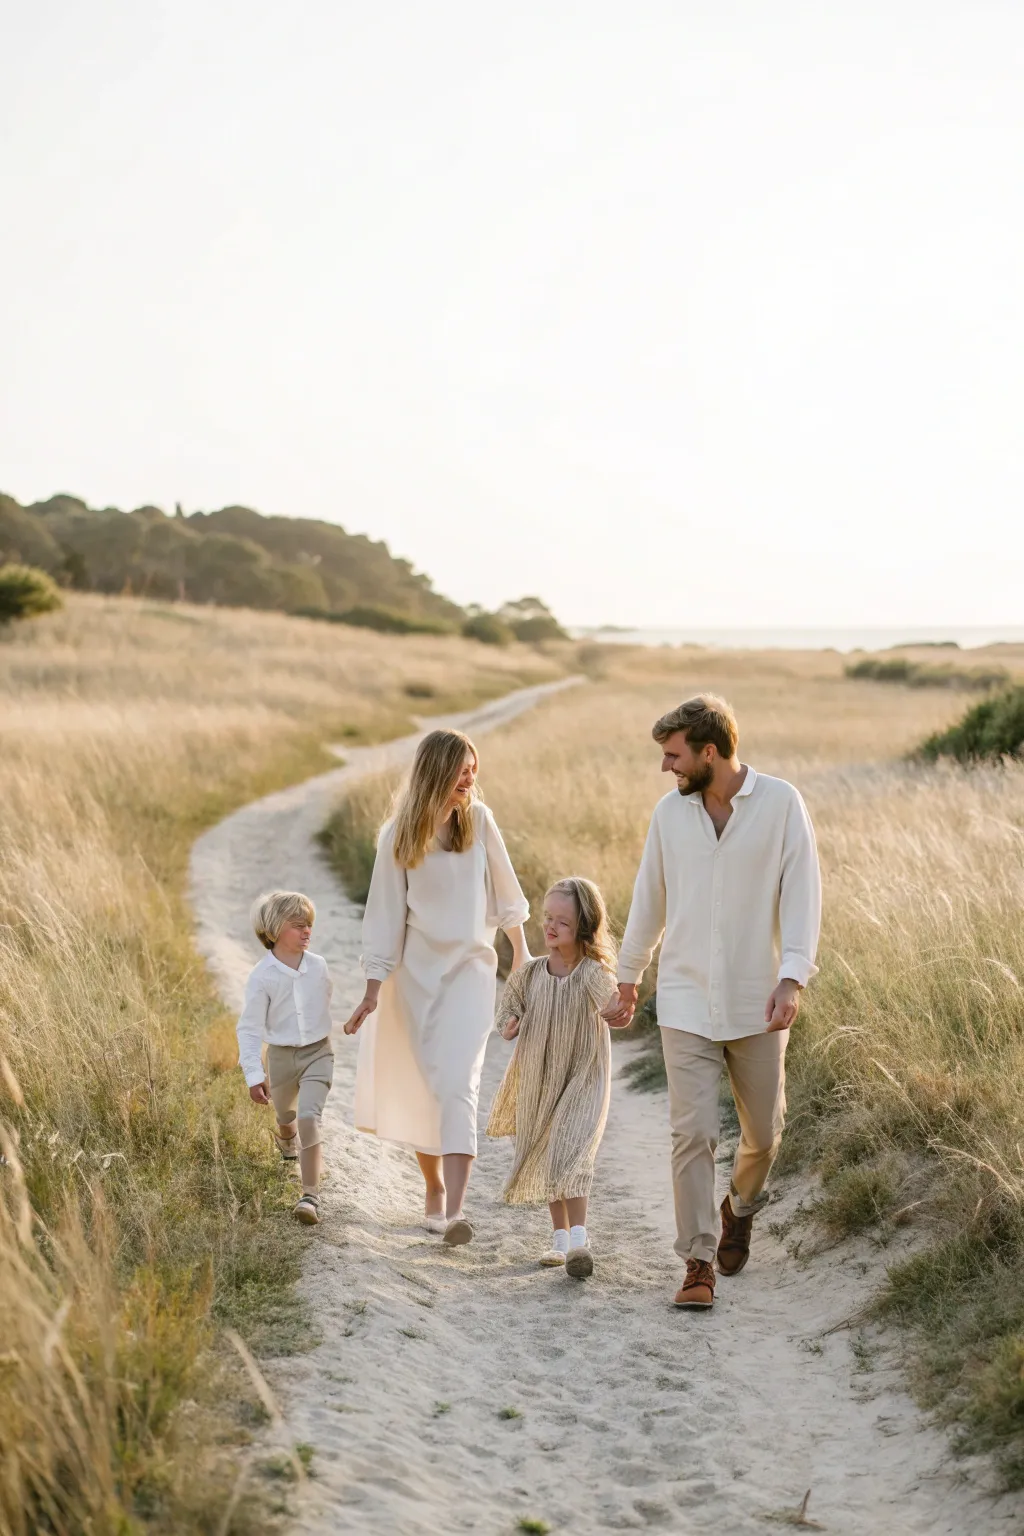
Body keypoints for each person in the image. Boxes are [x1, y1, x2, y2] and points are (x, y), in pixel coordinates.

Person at [605, 695, 821, 1311]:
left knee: (764, 1134)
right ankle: (697, 1261)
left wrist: (792, 977)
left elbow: (804, 895)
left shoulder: (781, 805)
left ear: (709, 751)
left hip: (758, 1000)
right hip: (684, 1000)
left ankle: (740, 1207)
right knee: (691, 1133)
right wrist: (629, 976)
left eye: (674, 755)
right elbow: (649, 899)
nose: (665, 768)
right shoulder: (669, 817)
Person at [344, 728, 530, 1246]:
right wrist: (372, 990)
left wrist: (520, 952)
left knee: (457, 1084)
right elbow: (383, 919)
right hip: (416, 977)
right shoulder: (397, 836)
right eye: (461, 770)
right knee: (427, 1088)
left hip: (472, 973)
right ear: (435, 773)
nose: (470, 779)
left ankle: (453, 1214)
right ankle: (432, 1186)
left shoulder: (481, 821)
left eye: (474, 769)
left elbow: (506, 889)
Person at [487, 876, 623, 1280]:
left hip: (582, 1075)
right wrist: (508, 1024)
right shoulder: (530, 973)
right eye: (547, 918)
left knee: (571, 1150)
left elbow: (613, 1002)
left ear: (583, 927)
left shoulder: (592, 973)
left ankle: (580, 1240)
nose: (549, 927)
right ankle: (560, 1239)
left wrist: (623, 1002)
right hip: (539, 1077)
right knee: (549, 1154)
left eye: (561, 922)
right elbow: (507, 1009)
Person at [237, 890, 335, 1226]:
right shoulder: (261, 976)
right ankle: (286, 1138)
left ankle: (310, 1196)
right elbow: (249, 1029)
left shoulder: (319, 967)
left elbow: (325, 1002)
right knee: (286, 1115)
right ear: (275, 931)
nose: (307, 931)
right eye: (298, 925)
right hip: (280, 1057)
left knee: (309, 1117)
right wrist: (253, 1075)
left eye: (309, 925)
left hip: (318, 1053)